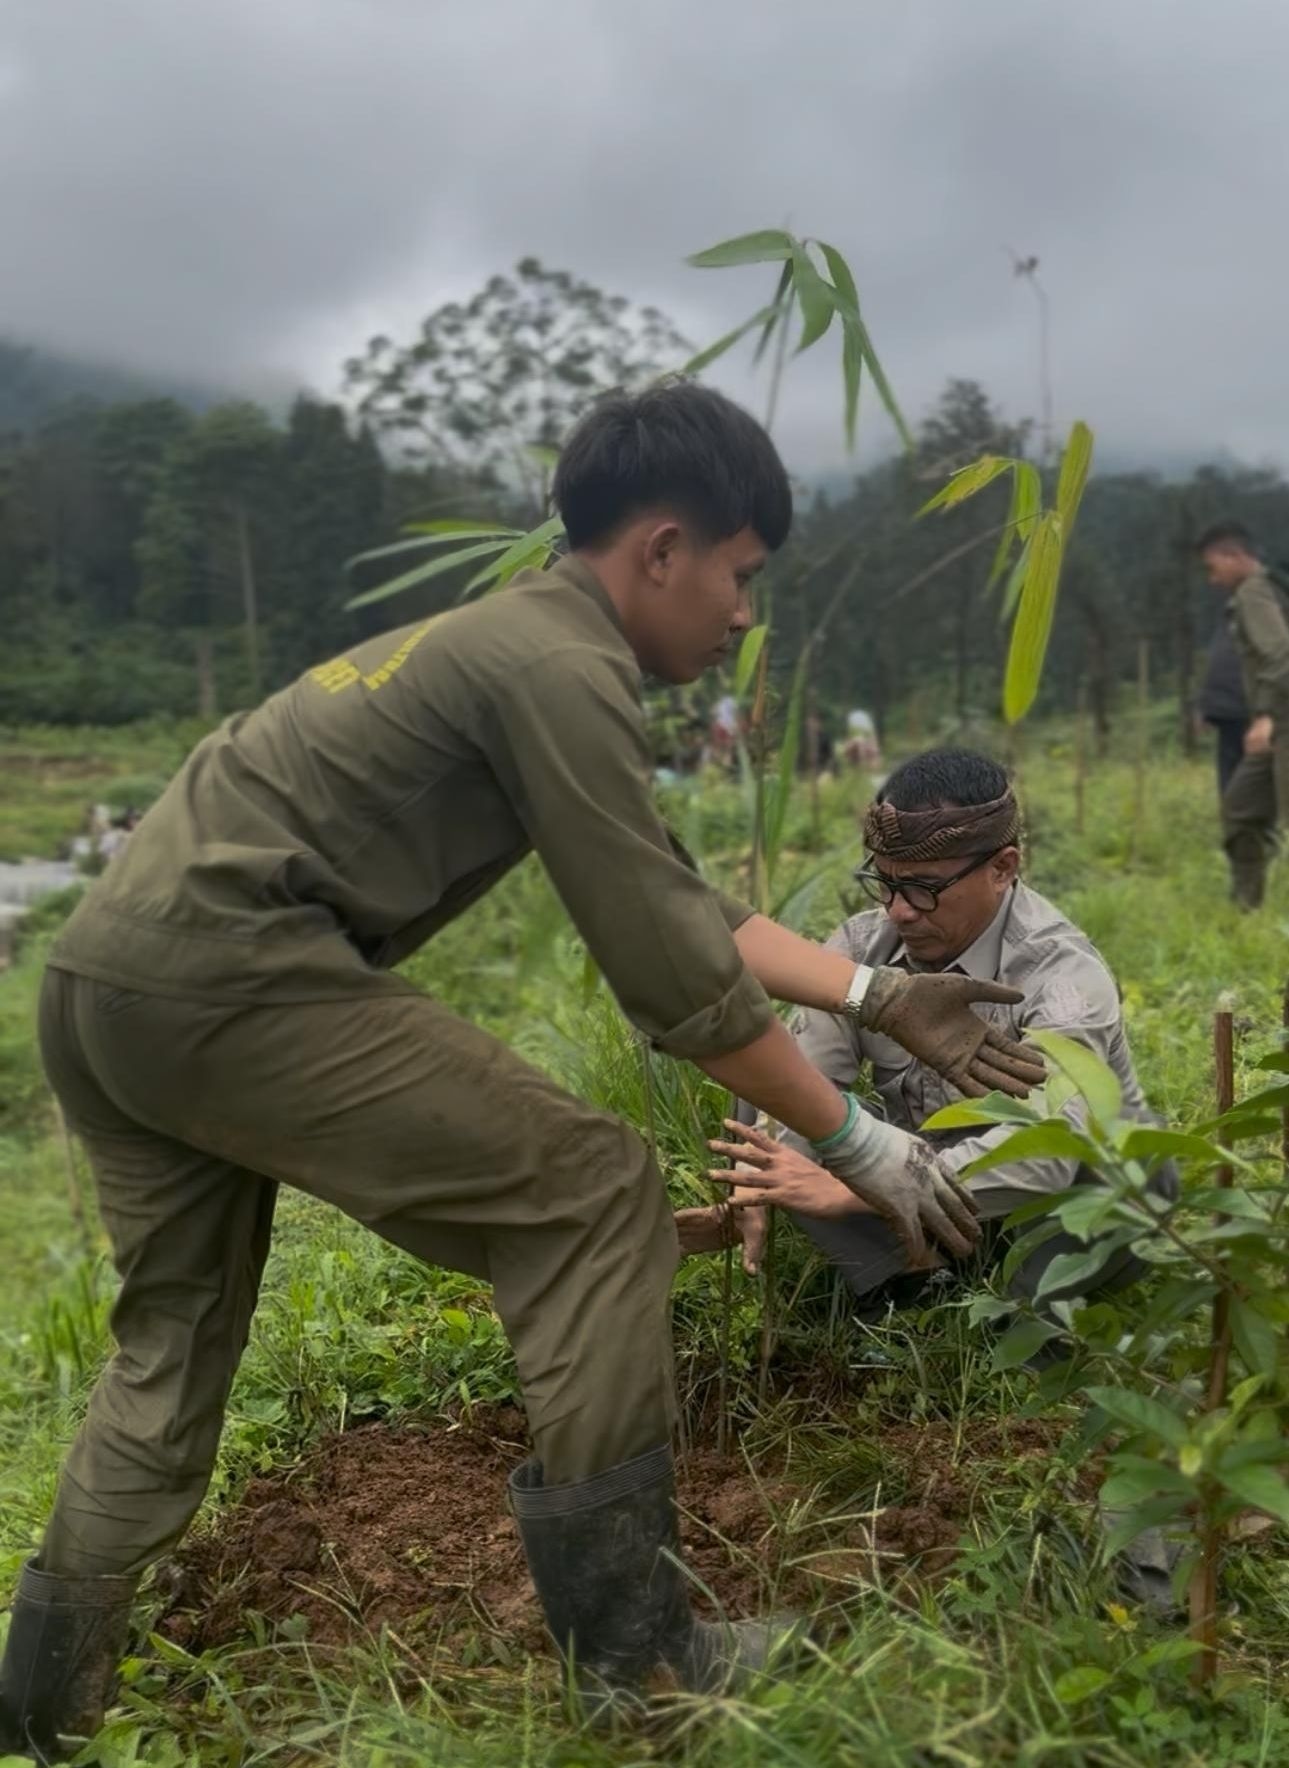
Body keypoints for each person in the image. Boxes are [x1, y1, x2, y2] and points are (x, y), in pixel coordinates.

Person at [0, 384, 1046, 1757]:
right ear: (661, 549)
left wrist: (881, 993)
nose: (743, 615)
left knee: (174, 1341)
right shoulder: (558, 665)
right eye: (738, 575)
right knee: (595, 1192)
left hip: (103, 987)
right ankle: (639, 1661)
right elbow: (678, 986)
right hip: (233, 975)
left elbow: (673, 894)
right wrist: (859, 1140)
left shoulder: (510, 642)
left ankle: (42, 1707)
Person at [677, 748, 1175, 1323]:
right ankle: (910, 1286)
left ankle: (1030, 1308)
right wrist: (758, 1185)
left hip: (1052, 1203)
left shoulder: (1060, 975)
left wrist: (851, 1193)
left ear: (1003, 868)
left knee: (1104, 1186)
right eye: (884, 884)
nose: (899, 912)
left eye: (923, 888)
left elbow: (1048, 1153)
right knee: (794, 1101)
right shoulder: (864, 946)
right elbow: (798, 1076)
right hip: (929, 1185)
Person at [1196, 521, 1289, 909]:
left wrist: (1265, 717)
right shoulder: (1255, 592)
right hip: (1275, 721)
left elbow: (1281, 654)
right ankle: (1246, 907)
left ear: (1233, 555)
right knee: (1240, 807)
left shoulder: (1254, 592)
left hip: (1280, 719)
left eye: (1212, 566)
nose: (1212, 578)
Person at [1197, 613, 1250, 800]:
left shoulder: (1262, 604)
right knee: (1231, 789)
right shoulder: (1233, 611)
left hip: (1256, 710)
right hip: (1229, 710)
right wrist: (1207, 704)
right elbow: (1220, 659)